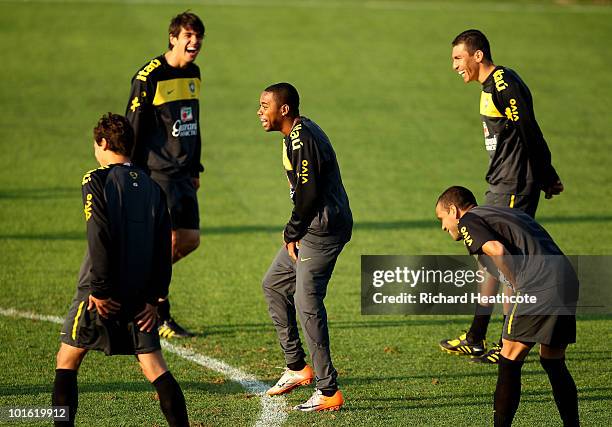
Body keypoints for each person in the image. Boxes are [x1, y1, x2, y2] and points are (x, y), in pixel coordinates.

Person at [52, 113, 189, 427]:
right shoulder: (153, 189)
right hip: (141, 296)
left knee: (67, 361)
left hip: (98, 292)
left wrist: (100, 290)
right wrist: (156, 299)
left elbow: (98, 234)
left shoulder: (96, 180)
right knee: (155, 366)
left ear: (102, 143)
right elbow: (162, 250)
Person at [440, 29, 565, 363]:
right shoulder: (489, 87)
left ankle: (509, 339)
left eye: (457, 58)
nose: (454, 66)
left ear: (477, 55)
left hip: (512, 188)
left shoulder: (504, 84)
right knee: (488, 260)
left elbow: (529, 129)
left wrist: (546, 174)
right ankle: (477, 336)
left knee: (506, 260)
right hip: (500, 185)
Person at [435, 186, 579, 426]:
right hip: (566, 279)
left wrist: (516, 281)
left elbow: (497, 250)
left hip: (538, 286)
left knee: (509, 359)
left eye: (442, 219)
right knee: (553, 361)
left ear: (454, 210)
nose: (443, 227)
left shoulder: (469, 220)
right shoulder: (503, 213)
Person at [257, 83, 352, 412]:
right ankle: (297, 368)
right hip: (311, 227)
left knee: (306, 302)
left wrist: (291, 231)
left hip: (322, 231)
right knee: (274, 284)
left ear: (284, 109)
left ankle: (328, 390)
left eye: (265, 105)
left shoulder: (302, 138)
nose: (260, 111)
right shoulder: (295, 135)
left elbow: (309, 194)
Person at [125, 11, 205, 338]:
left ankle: (139, 286)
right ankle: (158, 312)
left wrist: (196, 167)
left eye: (198, 37)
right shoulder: (149, 77)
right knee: (166, 241)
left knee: (189, 240)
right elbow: (134, 128)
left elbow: (193, 123)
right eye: (188, 36)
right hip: (157, 173)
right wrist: (131, 174)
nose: (194, 42)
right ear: (173, 37)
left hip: (184, 173)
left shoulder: (194, 73)